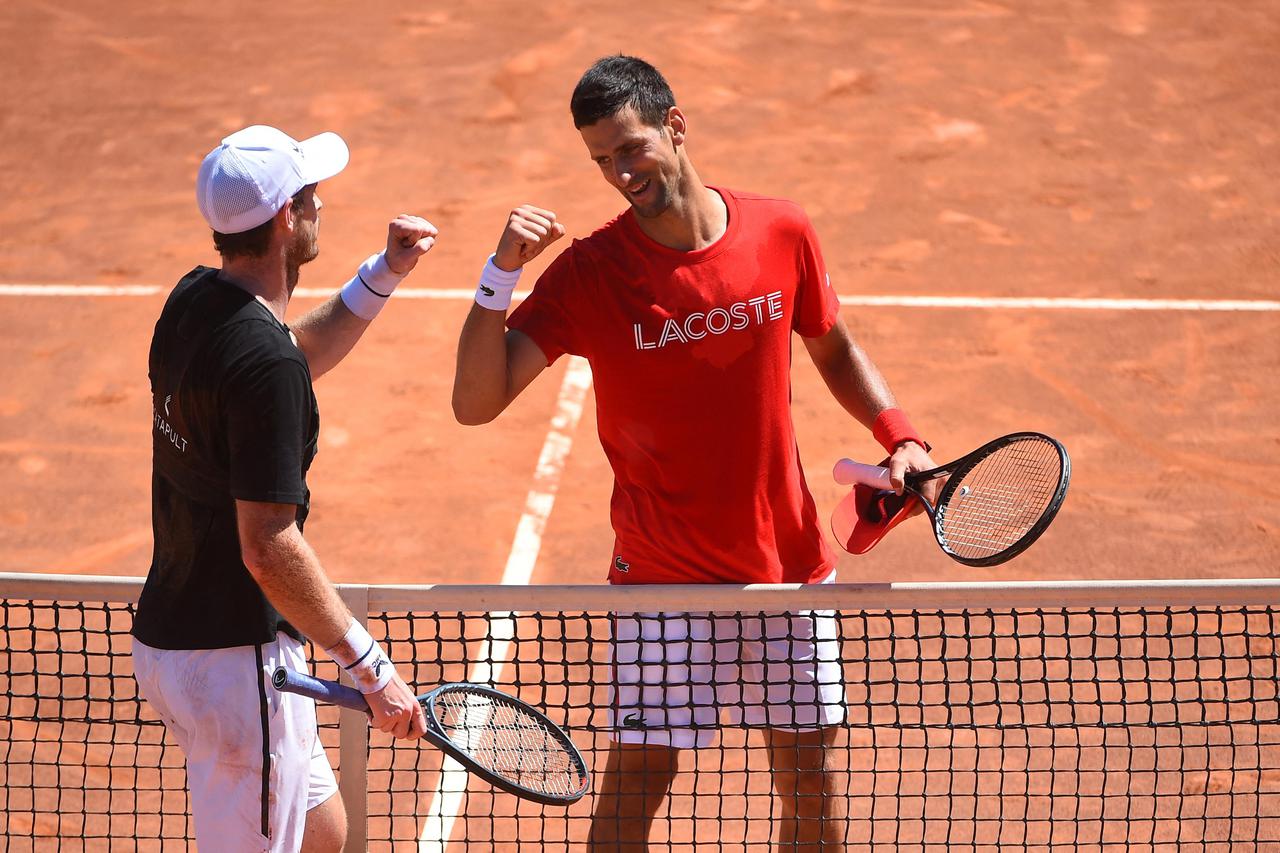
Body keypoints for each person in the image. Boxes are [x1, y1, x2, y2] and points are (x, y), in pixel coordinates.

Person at [451, 56, 938, 851]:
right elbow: (476, 402)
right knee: (639, 782)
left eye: (630, 148)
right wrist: (498, 274)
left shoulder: (781, 229)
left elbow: (836, 348)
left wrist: (902, 437)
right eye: (601, 159)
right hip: (660, 579)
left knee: (810, 783)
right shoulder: (590, 274)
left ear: (675, 126)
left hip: (786, 564)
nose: (619, 172)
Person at [132, 125, 437, 853]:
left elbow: (284, 358)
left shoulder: (197, 300)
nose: (321, 203)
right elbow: (268, 545)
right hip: (232, 662)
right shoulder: (262, 363)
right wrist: (371, 667)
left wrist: (382, 273)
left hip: (179, 635)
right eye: (310, 196)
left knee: (323, 835)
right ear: (283, 220)